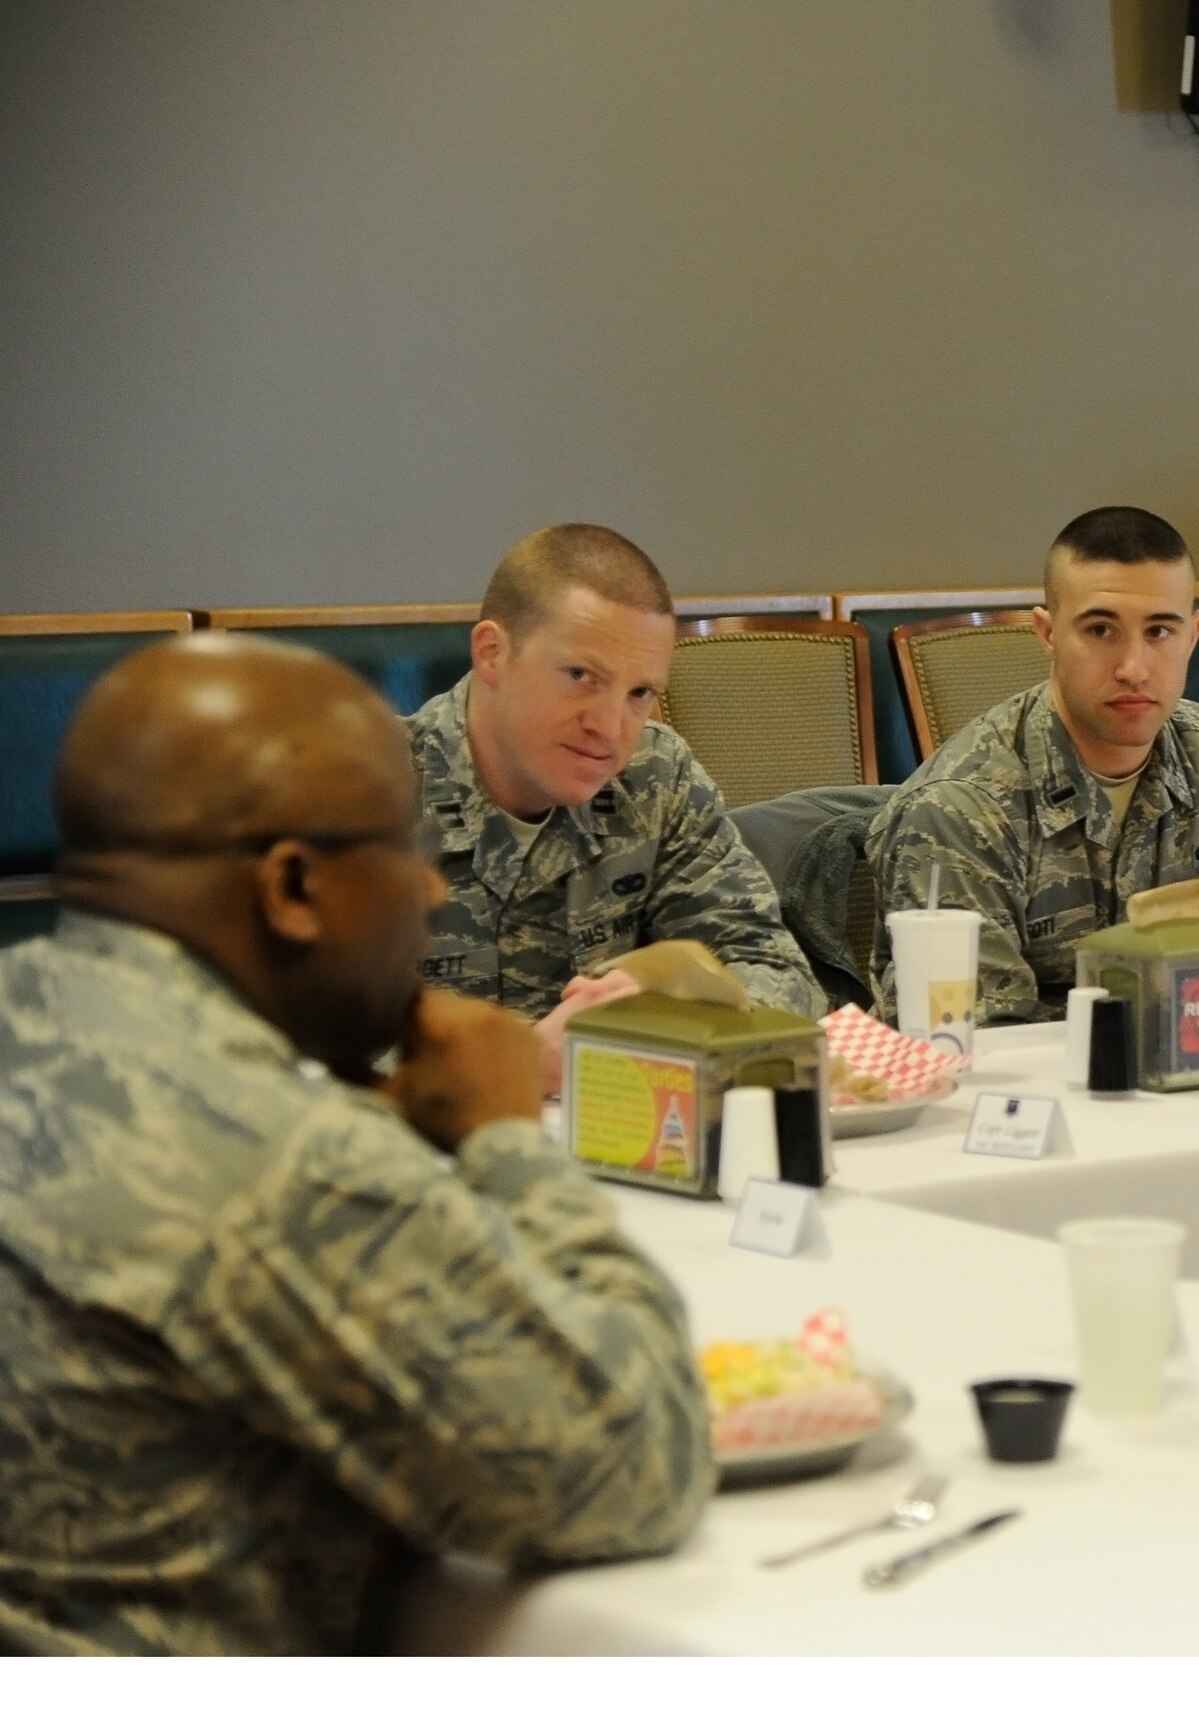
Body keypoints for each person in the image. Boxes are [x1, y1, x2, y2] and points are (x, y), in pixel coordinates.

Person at [0, 635, 712, 1655]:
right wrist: (508, 1141)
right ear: (293, 887)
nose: (428, 895)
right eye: (410, 853)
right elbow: (633, 1468)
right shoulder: (281, 1159)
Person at [866, 506, 1199, 1024]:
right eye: (1101, 631)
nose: (1134, 668)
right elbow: (982, 1036)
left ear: (1193, 635)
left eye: (1159, 632)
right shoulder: (961, 807)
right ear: (1046, 633)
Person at [406, 524, 822, 1087]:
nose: (609, 728)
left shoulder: (654, 778)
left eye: (639, 694)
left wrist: (668, 1008)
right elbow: (284, 1056)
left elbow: (777, 972)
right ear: (492, 653)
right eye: (581, 676)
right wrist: (514, 1064)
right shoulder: (363, 793)